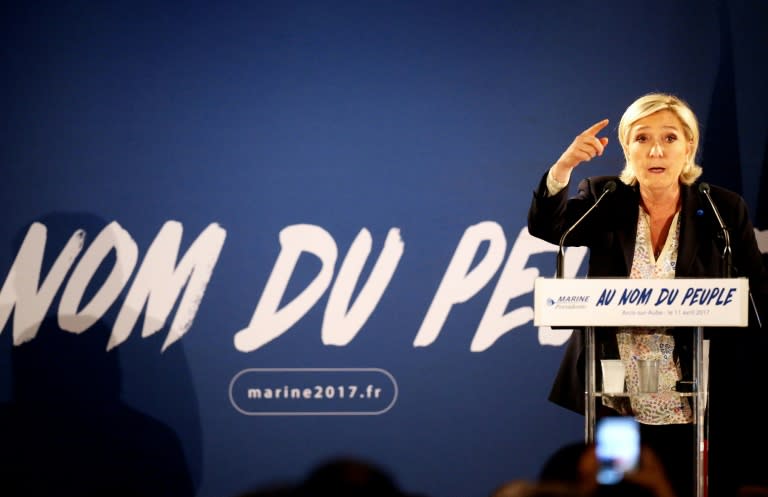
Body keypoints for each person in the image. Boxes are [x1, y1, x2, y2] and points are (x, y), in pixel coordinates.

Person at [527, 93, 768, 497]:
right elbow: (548, 228)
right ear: (627, 148)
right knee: (621, 487)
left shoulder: (723, 207)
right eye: (642, 138)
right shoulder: (605, 197)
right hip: (616, 392)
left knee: (689, 486)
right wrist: (565, 166)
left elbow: (756, 295)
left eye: (670, 138)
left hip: (696, 390)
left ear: (688, 146)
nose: (656, 150)